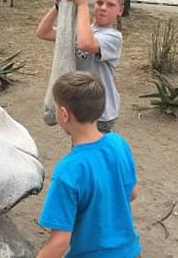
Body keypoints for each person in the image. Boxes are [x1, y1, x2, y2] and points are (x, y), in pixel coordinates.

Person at [36, 71, 141, 258]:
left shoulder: (68, 171)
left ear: (64, 114)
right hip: (130, 252)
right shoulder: (119, 143)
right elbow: (132, 193)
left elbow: (60, 242)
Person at [36, 0, 126, 132]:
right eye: (99, 2)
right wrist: (59, 6)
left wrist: (82, 5)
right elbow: (43, 32)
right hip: (81, 109)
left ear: (120, 10)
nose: (103, 8)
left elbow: (85, 44)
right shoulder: (83, 30)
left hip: (101, 113)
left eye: (110, 5)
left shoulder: (113, 37)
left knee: (96, 153)